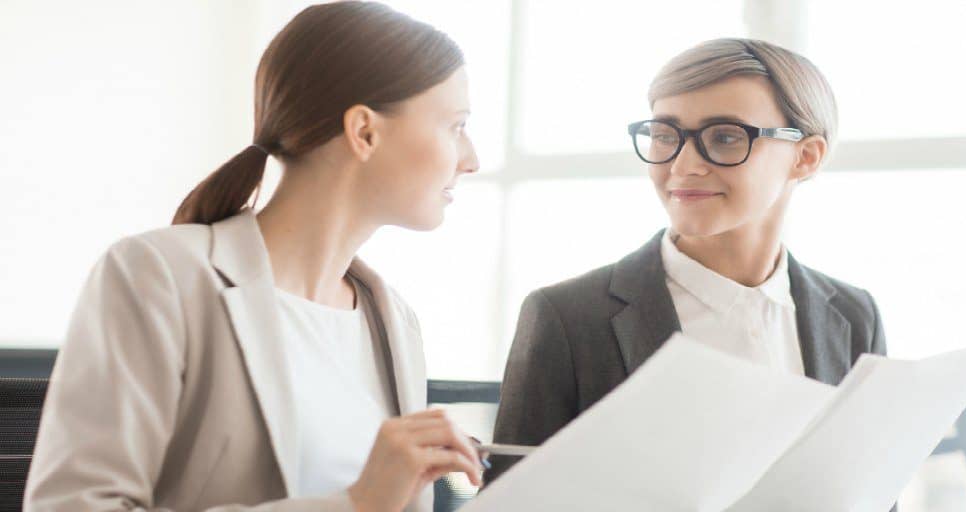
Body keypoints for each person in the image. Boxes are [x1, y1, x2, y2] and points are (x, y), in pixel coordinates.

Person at [26, 2, 482, 511]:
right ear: (365, 132)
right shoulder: (158, 277)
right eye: (455, 126)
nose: (471, 161)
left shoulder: (394, 322)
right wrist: (353, 504)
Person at [485, 38, 889, 488]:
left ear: (806, 156)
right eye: (664, 135)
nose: (684, 164)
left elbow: (871, 492)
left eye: (725, 137)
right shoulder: (568, 318)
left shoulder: (854, 316)